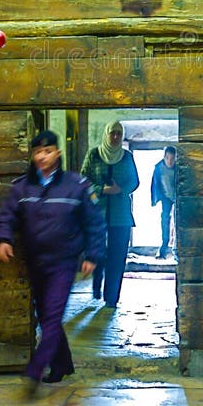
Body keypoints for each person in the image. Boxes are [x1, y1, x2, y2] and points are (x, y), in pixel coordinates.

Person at [0, 130, 106, 396]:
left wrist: (92, 255)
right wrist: (2, 239)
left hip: (63, 262)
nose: (42, 157)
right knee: (46, 318)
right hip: (35, 262)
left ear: (57, 153)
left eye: (47, 151)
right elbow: (7, 217)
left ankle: (35, 370)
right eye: (37, 153)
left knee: (52, 316)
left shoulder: (76, 185)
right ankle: (62, 364)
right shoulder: (22, 187)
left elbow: (94, 222)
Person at [80, 120, 140, 307]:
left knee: (117, 256)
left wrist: (120, 190)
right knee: (97, 253)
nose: (115, 137)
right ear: (106, 134)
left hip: (120, 216)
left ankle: (112, 298)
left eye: (118, 134)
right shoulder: (94, 155)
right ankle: (97, 287)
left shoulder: (127, 157)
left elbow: (135, 181)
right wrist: (101, 189)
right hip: (97, 214)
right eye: (112, 133)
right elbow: (83, 180)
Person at [151, 145, 177, 259]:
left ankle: (176, 249)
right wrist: (155, 199)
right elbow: (154, 184)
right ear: (164, 157)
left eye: (172, 158)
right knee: (165, 220)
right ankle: (163, 248)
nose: (170, 161)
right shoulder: (159, 168)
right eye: (168, 158)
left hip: (177, 197)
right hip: (166, 197)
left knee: (178, 222)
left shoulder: (179, 168)